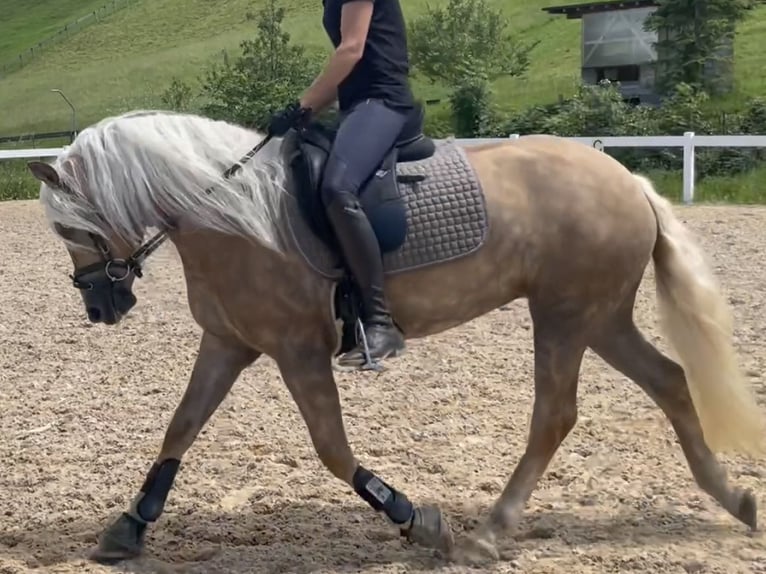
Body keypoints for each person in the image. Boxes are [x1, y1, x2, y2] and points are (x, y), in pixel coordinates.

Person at [268, 0, 418, 367]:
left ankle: (381, 323)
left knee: (338, 187)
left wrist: (302, 105)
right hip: (356, 105)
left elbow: (352, 49)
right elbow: (348, 69)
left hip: (383, 101)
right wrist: (306, 112)